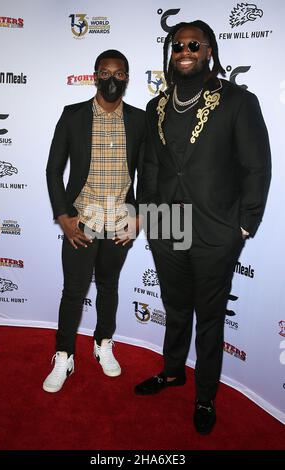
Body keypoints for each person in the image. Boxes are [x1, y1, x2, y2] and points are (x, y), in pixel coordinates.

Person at [134, 21, 271, 434]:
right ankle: (173, 371)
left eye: (194, 44)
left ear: (209, 50)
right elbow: (151, 165)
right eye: (177, 45)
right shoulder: (158, 105)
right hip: (167, 224)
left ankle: (205, 395)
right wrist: (148, 215)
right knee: (175, 309)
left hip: (216, 229)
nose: (185, 50)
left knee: (210, 318)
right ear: (170, 52)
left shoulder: (237, 101)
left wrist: (245, 225)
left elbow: (255, 166)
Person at [43, 50, 145, 393]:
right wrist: (63, 217)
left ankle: (103, 343)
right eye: (105, 72)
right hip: (82, 221)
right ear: (94, 76)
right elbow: (53, 170)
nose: (111, 79)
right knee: (73, 292)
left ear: (127, 78)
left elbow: (151, 173)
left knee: (109, 287)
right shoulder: (73, 116)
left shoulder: (139, 120)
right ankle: (64, 355)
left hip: (119, 222)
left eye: (118, 74)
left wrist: (138, 216)